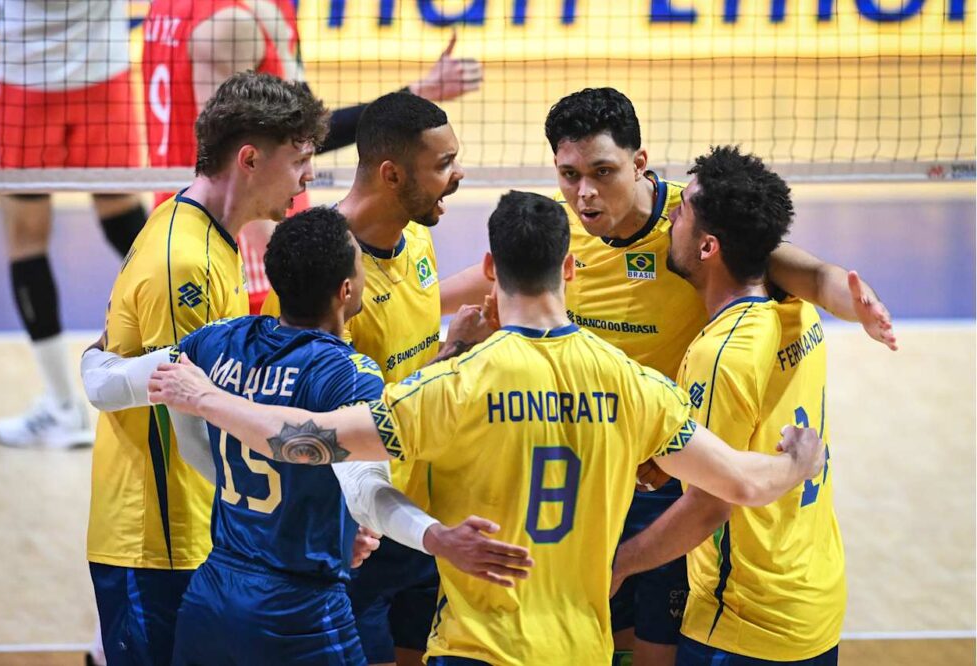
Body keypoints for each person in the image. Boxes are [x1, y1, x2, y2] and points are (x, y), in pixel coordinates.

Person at [148, 190, 827, 665]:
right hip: (579, 649)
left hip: (476, 648)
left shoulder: (453, 387)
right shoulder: (635, 385)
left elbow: (304, 441)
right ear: (569, 269)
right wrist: (797, 463)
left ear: (490, 272)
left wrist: (206, 399)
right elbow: (741, 483)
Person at [440, 87, 895, 666]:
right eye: (569, 174)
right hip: (590, 477)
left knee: (652, 647)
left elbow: (807, 273)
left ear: (639, 162)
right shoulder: (560, 229)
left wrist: (860, 306)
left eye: (602, 171)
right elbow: (477, 282)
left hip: (669, 483)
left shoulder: (691, 228)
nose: (585, 192)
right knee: (588, 639)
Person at [83, 206, 534, 664]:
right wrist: (436, 537)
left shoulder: (216, 342)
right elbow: (366, 491)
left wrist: (95, 352)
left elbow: (105, 387)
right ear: (347, 290)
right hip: (300, 613)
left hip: (211, 601)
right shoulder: (347, 375)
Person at [83, 71, 328, 666]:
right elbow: (189, 419)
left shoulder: (209, 233)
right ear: (250, 159)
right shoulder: (185, 261)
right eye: (299, 160)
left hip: (198, 529)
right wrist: (276, 517)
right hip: (161, 539)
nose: (309, 177)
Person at [260, 91, 482, 666]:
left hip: (424, 515)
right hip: (358, 532)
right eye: (443, 164)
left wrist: (467, 331)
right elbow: (307, 425)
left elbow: (407, 347)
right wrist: (454, 355)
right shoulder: (318, 272)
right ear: (391, 174)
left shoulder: (417, 234)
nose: (457, 175)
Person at [611, 147, 844, 665]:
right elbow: (748, 431)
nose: (671, 215)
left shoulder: (720, 353)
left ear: (708, 246)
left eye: (683, 212)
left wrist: (619, 565)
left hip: (745, 618)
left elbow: (709, 505)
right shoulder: (798, 311)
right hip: (814, 599)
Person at [143, 0, 481, 313]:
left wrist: (416, 93)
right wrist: (291, 270)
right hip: (243, 244)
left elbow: (305, 129)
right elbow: (237, 170)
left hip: (180, 218)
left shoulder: (167, 8)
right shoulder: (232, 24)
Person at [0, 0, 148, 448]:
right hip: (103, 76)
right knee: (122, 217)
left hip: (27, 78)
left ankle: (63, 407)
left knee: (26, 240)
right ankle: (204, 358)